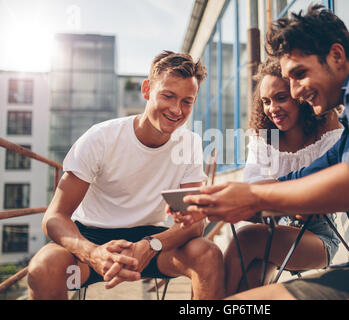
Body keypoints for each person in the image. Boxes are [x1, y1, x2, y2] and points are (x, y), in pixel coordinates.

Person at [181, 5, 349, 300]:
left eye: (299, 74)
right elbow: (297, 179)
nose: (296, 92)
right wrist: (219, 199)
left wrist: (253, 197)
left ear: (336, 55)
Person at [27, 51, 225, 300]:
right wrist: (92, 253)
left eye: (187, 101)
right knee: (44, 268)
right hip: (93, 245)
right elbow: (54, 217)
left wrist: (151, 245)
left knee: (208, 255)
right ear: (146, 90)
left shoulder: (190, 143)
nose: (177, 109)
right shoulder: (100, 137)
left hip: (154, 247)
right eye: (168, 96)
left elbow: (195, 222)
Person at [223, 57, 342, 295]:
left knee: (245, 239)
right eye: (266, 101)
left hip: (319, 235)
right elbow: (251, 186)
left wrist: (268, 197)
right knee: (251, 283)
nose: (272, 108)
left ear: (300, 96)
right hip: (275, 228)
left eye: (281, 97)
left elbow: (319, 197)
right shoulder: (265, 138)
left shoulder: (328, 133)